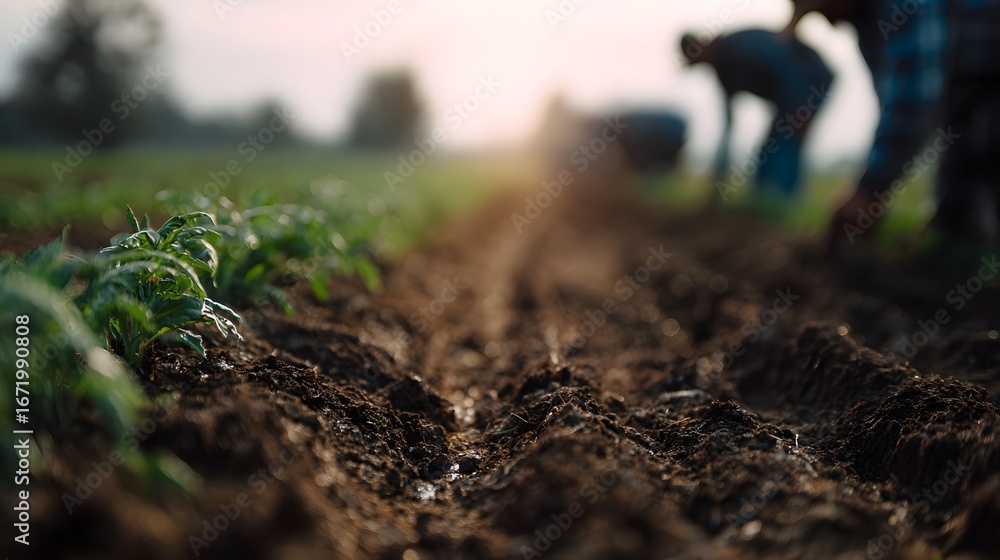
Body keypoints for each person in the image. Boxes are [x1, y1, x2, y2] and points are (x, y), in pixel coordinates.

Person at [785, 0, 1000, 245]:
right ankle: (958, 234)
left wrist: (869, 189)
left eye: (819, 7)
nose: (824, 18)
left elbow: (914, 99)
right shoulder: (869, 28)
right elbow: (948, 113)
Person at [680, 29, 834, 202]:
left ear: (703, 46)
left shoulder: (742, 47)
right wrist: (719, 179)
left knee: (785, 139)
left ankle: (783, 200)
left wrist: (804, 112)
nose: (702, 65)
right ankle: (763, 197)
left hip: (810, 78)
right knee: (771, 146)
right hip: (787, 93)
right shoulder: (723, 72)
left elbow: (788, 68)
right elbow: (728, 124)